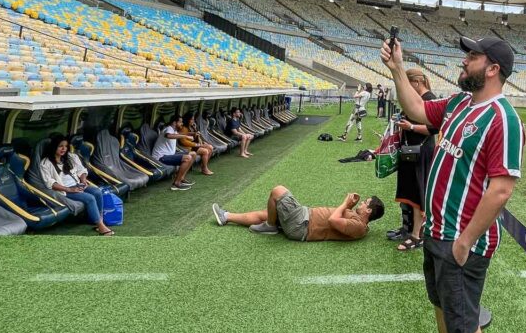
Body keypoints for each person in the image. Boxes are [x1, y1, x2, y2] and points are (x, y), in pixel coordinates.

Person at [382, 35, 524, 333]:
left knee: (465, 322)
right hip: (438, 231)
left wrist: (465, 240)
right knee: (442, 306)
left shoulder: (503, 119)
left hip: (465, 242)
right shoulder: (461, 103)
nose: (464, 61)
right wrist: (397, 68)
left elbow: (501, 188)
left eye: (473, 57)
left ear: (492, 68)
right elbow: (416, 108)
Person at [211, 186, 384, 241]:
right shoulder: (355, 217)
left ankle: (271, 227)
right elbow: (339, 216)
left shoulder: (359, 227)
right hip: (304, 216)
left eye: (364, 203)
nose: (361, 203)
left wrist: (345, 203)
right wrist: (350, 206)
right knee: (268, 212)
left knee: (278, 191)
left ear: (368, 211)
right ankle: (226, 216)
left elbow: (333, 220)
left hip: (303, 226)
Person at [392, 69, 438, 252]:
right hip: (410, 151)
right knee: (409, 191)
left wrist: (410, 126)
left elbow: (433, 128)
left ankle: (417, 236)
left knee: (419, 193)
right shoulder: (416, 99)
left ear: (417, 83)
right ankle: (409, 228)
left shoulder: (430, 98)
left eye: (408, 85)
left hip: (421, 152)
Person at [39, 133, 115, 236]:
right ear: (54, 147)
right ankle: (101, 226)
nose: (64, 149)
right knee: (89, 198)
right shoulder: (45, 163)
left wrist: (83, 180)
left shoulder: (71, 156)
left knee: (97, 192)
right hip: (65, 190)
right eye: (60, 146)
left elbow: (81, 170)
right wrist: (69, 190)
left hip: (77, 184)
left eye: (65, 146)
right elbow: (50, 183)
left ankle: (99, 221)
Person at [150, 113, 196, 191]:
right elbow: (169, 136)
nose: (182, 123)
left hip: (169, 155)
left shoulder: (174, 130)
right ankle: (176, 184)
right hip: (161, 157)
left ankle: (181, 178)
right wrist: (185, 136)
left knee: (193, 154)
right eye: (180, 122)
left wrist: (193, 133)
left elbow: (180, 134)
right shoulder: (168, 129)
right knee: (187, 158)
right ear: (174, 123)